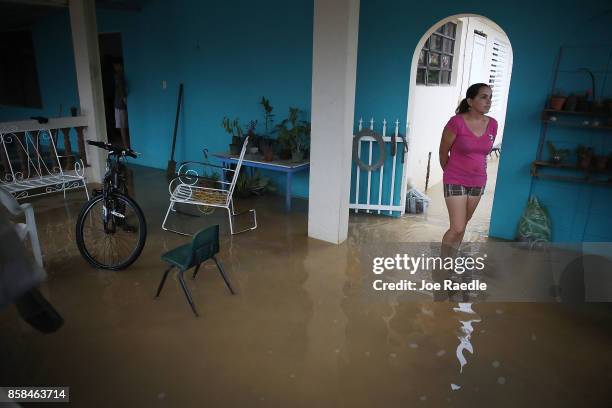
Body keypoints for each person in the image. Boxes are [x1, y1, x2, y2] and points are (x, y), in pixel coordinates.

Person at [438, 83, 497, 258]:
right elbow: (443, 151)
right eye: (483, 97)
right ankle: (442, 264)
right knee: (456, 227)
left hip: (478, 180)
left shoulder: (493, 124)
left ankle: (452, 259)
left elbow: (483, 153)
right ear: (470, 101)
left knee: (462, 225)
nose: (488, 101)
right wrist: (449, 173)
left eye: (490, 97)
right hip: (455, 178)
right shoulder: (456, 122)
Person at [112, 58, 130, 149]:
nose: (114, 67)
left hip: (120, 104)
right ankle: (126, 145)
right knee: (122, 126)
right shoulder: (120, 75)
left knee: (122, 126)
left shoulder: (119, 76)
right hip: (120, 104)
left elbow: (121, 89)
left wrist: (124, 99)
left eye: (115, 65)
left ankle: (126, 146)